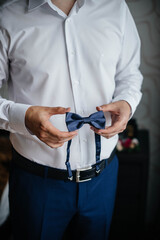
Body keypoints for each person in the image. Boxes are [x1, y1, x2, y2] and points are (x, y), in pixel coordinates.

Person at [0, 0, 143, 239]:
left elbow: (130, 74)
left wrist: (127, 103)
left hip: (103, 179)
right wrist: (23, 118)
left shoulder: (116, 7)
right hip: (37, 184)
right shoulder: (7, 17)